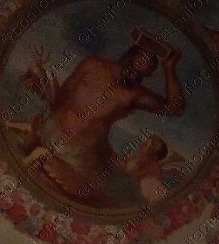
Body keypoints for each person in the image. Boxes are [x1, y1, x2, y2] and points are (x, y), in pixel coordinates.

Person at [8, 41, 186, 206]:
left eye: (143, 74)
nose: (135, 74)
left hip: (78, 156)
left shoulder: (135, 94)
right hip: (51, 132)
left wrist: (169, 68)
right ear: (128, 56)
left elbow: (175, 108)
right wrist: (43, 81)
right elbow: (61, 98)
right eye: (135, 65)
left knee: (85, 195)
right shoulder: (92, 64)